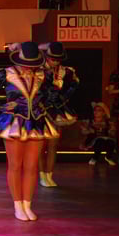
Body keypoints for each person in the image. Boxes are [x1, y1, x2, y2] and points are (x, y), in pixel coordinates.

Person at [0, 42, 58, 222]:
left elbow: (54, 91)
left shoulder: (43, 74)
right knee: (15, 165)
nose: (28, 67)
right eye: (25, 64)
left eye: (32, 64)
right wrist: (0, 106)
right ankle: (17, 205)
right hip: (13, 121)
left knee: (31, 166)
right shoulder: (5, 73)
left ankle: (27, 204)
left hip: (36, 121)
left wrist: (44, 105)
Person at [38, 42, 79, 188]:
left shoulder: (65, 71)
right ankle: (42, 175)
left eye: (57, 59)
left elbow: (74, 84)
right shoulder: (38, 70)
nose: (55, 61)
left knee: (53, 144)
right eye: (52, 58)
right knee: (40, 146)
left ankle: (49, 175)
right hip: (39, 110)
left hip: (56, 110)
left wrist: (63, 97)